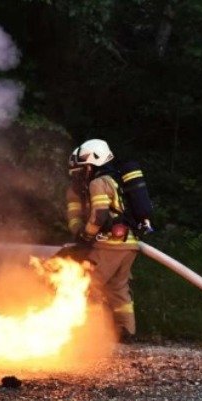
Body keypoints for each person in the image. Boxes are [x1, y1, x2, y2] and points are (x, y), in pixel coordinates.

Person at [65, 139, 138, 340]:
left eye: (81, 169)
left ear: (93, 164)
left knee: (89, 285)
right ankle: (127, 332)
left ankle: (92, 336)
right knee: (118, 288)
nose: (78, 175)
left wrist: (86, 235)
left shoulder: (98, 183)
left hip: (109, 244)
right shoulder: (113, 181)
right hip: (128, 245)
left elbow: (100, 216)